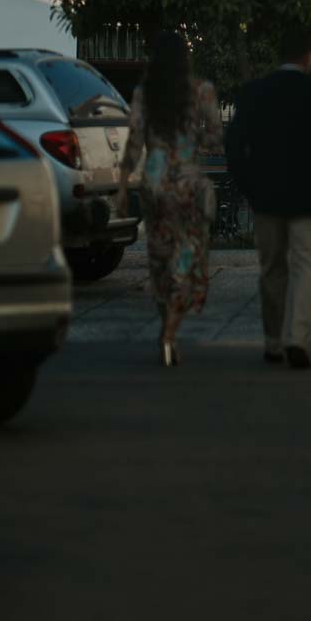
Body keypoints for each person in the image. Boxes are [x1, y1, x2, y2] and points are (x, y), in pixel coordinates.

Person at [225, 31, 311, 370]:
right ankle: (297, 338)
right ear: (308, 56)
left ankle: (272, 341)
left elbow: (234, 148)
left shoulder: (253, 94)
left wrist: (249, 188)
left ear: (278, 54)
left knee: (271, 269)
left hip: (266, 197)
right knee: (306, 265)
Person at [116, 28, 223, 369]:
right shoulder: (201, 92)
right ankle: (169, 335)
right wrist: (197, 138)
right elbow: (215, 136)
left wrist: (121, 186)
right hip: (188, 186)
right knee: (186, 263)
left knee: (160, 262)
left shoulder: (144, 95)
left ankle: (167, 330)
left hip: (155, 185)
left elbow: (134, 143)